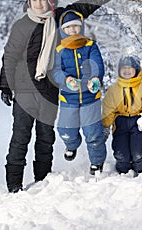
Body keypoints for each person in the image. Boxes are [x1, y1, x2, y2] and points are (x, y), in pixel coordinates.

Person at [0, 0, 118, 192]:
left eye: (43, 0)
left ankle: (42, 182)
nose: (39, 4)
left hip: (49, 89)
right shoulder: (22, 25)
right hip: (25, 90)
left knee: (46, 138)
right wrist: (6, 85)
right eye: (35, 0)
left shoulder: (60, 18)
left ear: (49, 0)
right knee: (20, 136)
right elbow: (10, 56)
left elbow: (85, 6)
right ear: (30, 2)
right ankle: (13, 186)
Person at [51, 10, 106, 175]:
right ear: (63, 30)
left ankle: (96, 162)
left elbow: (98, 64)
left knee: (93, 133)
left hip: (90, 97)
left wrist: (95, 78)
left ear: (80, 27)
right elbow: (55, 70)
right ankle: (72, 144)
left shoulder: (90, 45)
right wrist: (66, 79)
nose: (73, 30)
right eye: (69, 27)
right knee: (66, 130)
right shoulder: (60, 49)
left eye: (76, 26)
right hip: (69, 98)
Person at [102, 55, 142, 177]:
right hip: (120, 122)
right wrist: (105, 125)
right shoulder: (114, 89)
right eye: (124, 69)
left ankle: (141, 170)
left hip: (138, 121)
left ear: (137, 70)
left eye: (130, 68)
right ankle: (123, 170)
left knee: (139, 151)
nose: (127, 71)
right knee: (121, 152)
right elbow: (109, 108)